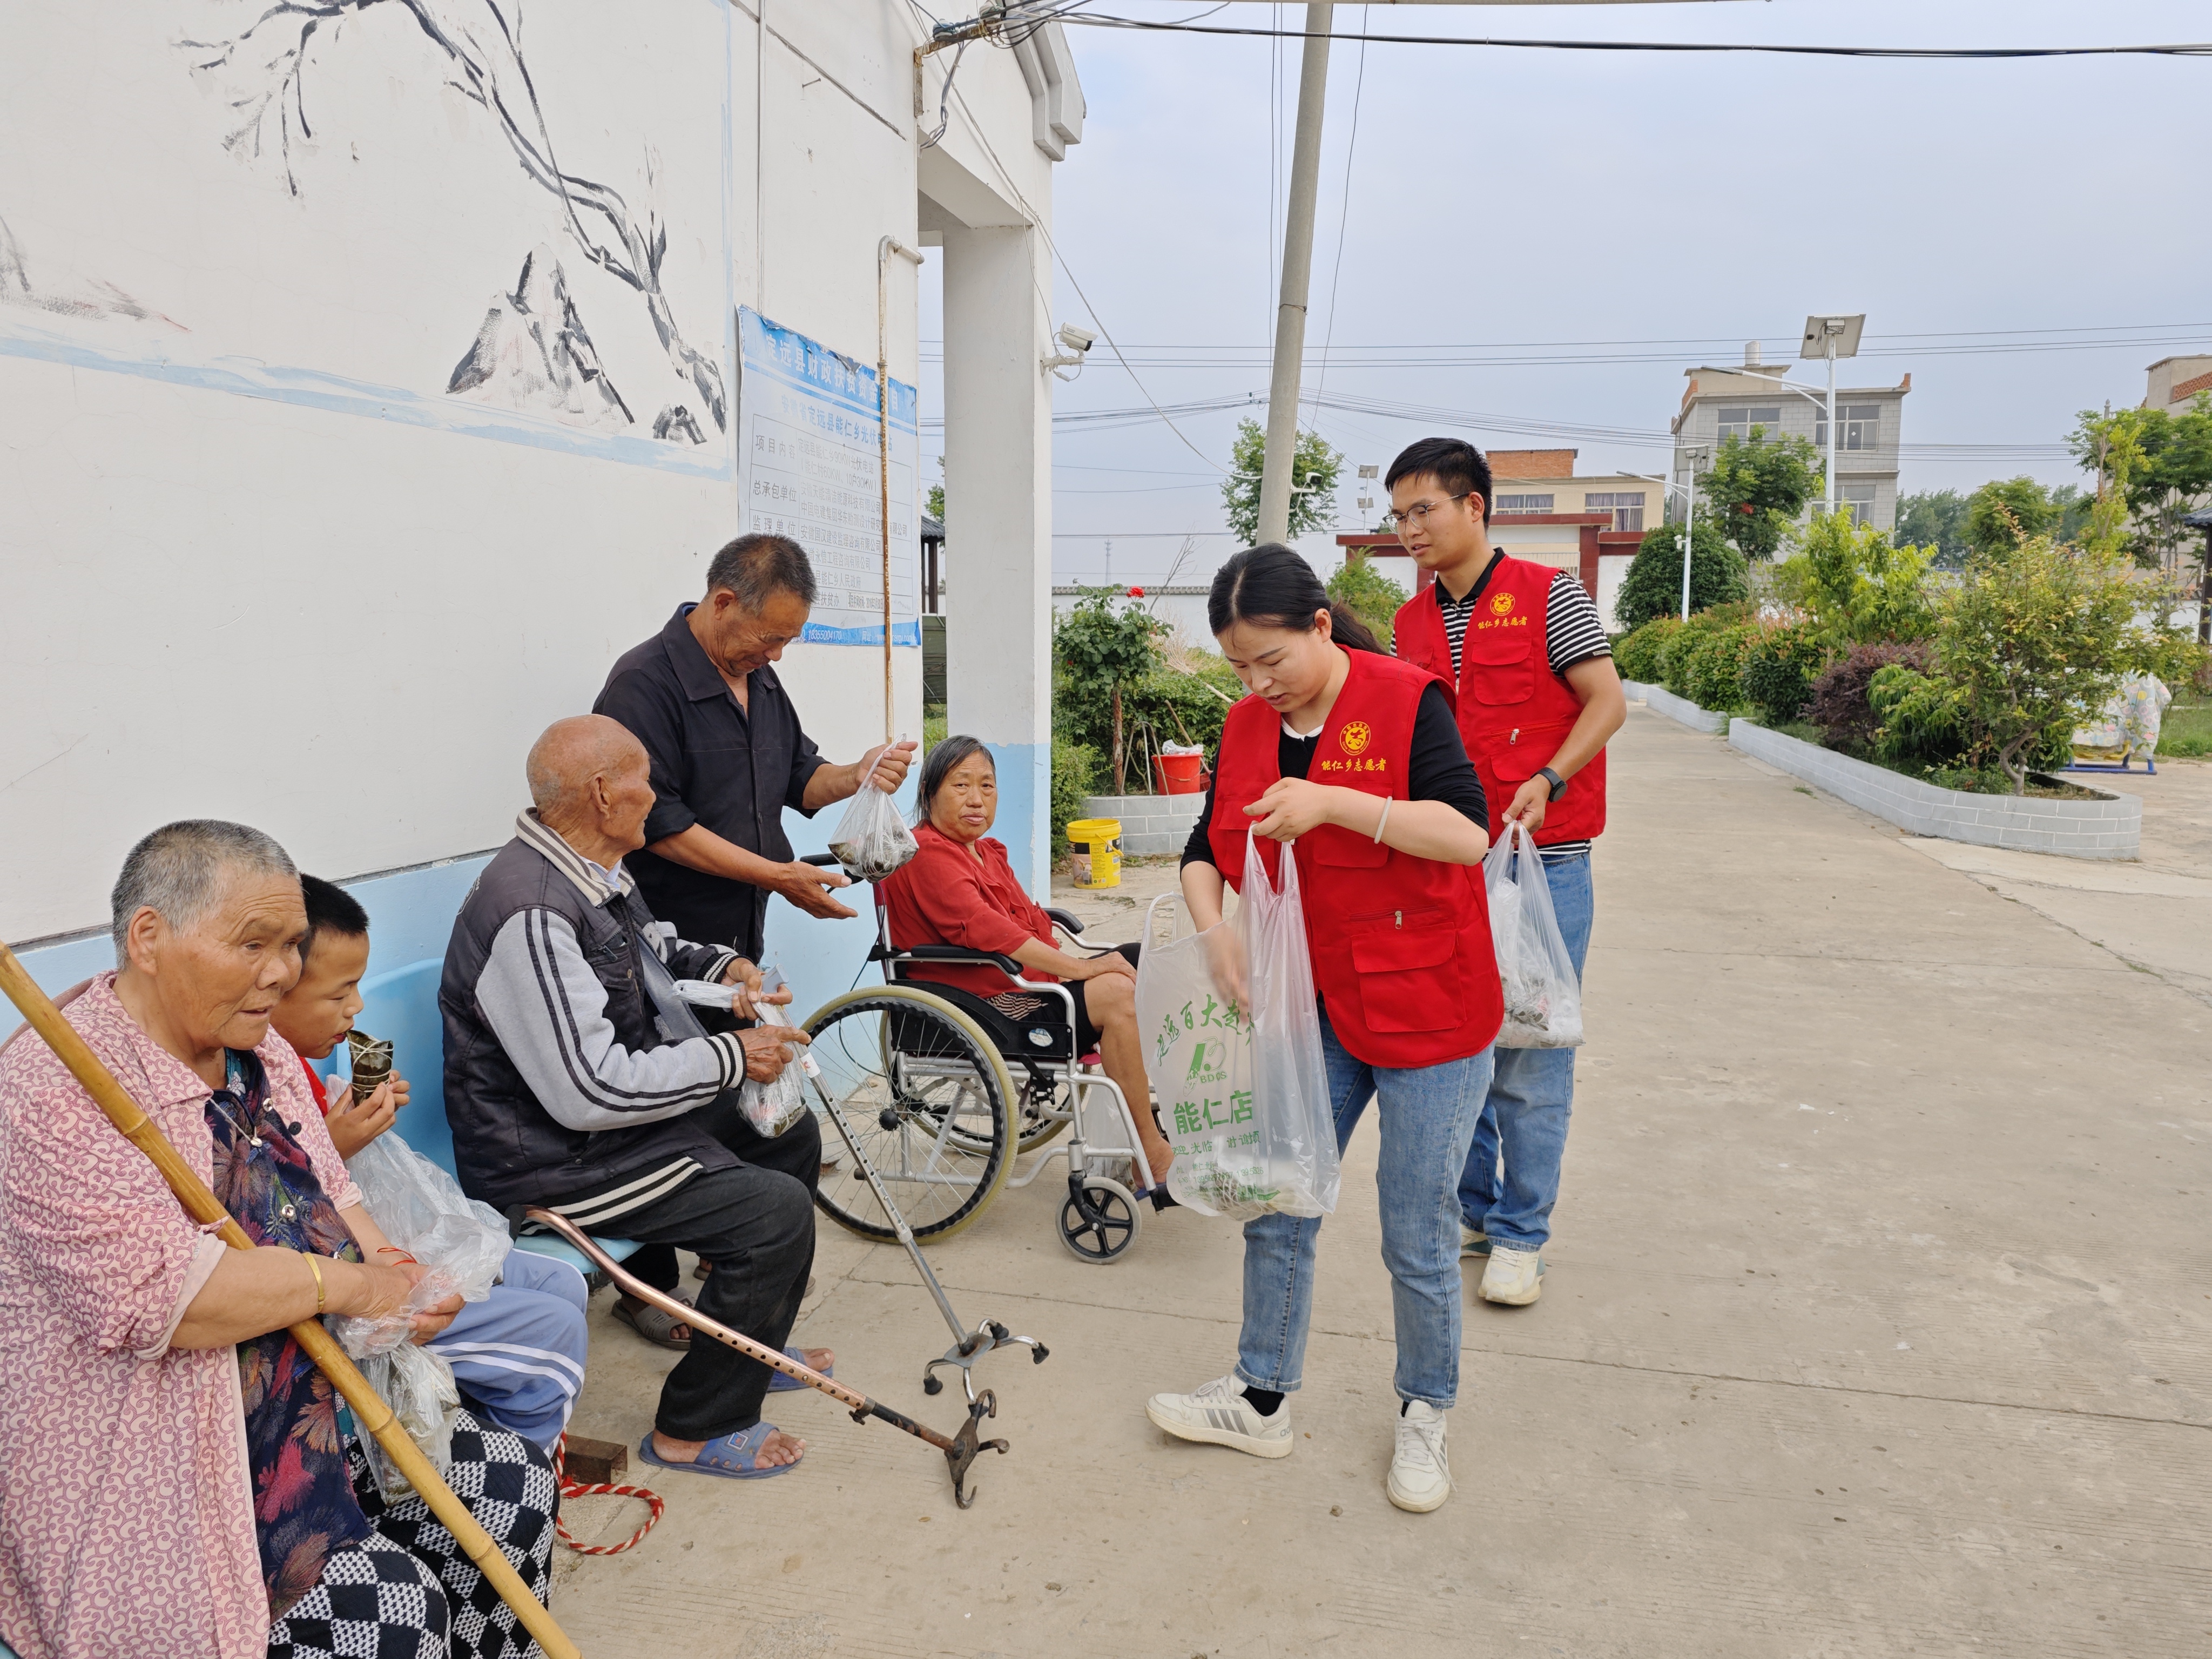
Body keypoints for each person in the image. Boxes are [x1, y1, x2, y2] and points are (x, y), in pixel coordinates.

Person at [0, 820, 556, 1658]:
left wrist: (396, 1284)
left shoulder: (262, 1054)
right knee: (389, 1620)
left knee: (511, 1489)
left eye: (291, 945)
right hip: (178, 1460)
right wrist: (348, 1289)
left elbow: (336, 1196)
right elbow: (174, 1304)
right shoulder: (52, 1091)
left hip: (323, 1398)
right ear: (149, 938)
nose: (281, 973)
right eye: (252, 943)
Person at [1146, 545, 1501, 1515]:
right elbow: (1199, 850)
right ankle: (1262, 1395)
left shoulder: (1405, 699)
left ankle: (1426, 1410)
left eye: (1272, 658)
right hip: (1318, 1002)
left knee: (1416, 1227)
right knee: (1280, 1192)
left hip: (1430, 1000)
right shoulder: (1246, 725)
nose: (1259, 683)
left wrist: (1336, 804)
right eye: (1239, 667)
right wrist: (1214, 930)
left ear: (1317, 624)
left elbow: (1467, 832)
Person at [439, 715, 830, 1481]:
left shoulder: (590, 873)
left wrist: (727, 973)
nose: (656, 795)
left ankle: (743, 1336)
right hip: (553, 1160)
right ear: (601, 793)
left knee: (787, 1134)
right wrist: (729, 1056)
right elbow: (590, 1089)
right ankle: (697, 1425)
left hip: (598, 1131)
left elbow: (653, 954)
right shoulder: (533, 910)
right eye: (645, 778)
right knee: (772, 1213)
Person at [1384, 437, 1626, 1307]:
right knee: (1468, 1047)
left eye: (1425, 510)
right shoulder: (1411, 625)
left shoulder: (1550, 594)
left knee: (1534, 1053)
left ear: (1475, 506)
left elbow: (1608, 701)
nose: (1410, 529)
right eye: (1399, 515)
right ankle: (1478, 1214)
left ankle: (1525, 1235)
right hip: (1452, 867)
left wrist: (1549, 777)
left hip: (1544, 862)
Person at [273, 872, 591, 1453]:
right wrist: (337, 1145)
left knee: (562, 1279)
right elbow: (286, 1195)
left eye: (358, 988)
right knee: (555, 1331)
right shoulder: (243, 1077)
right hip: (337, 1289)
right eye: (339, 992)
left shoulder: (288, 1068)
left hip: (376, 1246)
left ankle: (490, 1431)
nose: (357, 1007)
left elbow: (332, 1179)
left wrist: (349, 1132)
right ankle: (518, 1475)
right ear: (274, 984)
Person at [593, 532, 918, 968]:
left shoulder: (758, 676)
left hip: (743, 926)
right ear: (724, 604)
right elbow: (658, 825)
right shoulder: (644, 684)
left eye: (787, 640)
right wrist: (779, 876)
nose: (777, 656)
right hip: (662, 937)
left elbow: (798, 777)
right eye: (770, 639)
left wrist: (856, 775)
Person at [873, 735, 1172, 1192]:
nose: (977, 799)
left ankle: (1158, 1110)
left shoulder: (987, 851)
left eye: (987, 786)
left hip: (1025, 987)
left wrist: (1082, 963)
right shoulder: (928, 853)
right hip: (986, 1003)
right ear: (930, 792)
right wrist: (1082, 969)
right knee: (1114, 990)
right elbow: (992, 932)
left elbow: (1028, 919)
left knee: (1143, 961)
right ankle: (1149, 1151)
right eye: (961, 785)